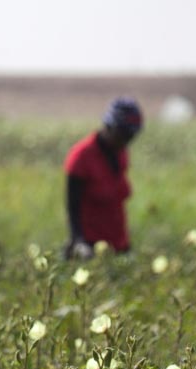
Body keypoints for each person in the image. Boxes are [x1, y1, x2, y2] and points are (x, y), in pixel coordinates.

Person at [63, 97, 143, 259]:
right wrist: (79, 242)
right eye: (123, 135)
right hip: (90, 247)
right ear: (109, 126)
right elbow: (73, 207)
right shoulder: (81, 155)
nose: (126, 142)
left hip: (118, 244)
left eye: (130, 137)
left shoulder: (121, 153)